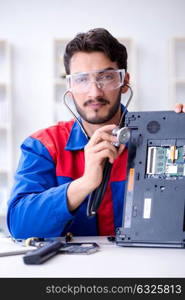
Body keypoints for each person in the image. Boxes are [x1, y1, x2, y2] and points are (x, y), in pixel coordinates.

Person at [7, 28, 185, 239]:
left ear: (125, 82)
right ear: (70, 86)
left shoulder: (162, 139)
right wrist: (85, 183)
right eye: (82, 79)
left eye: (107, 77)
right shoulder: (43, 145)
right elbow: (20, 225)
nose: (95, 92)